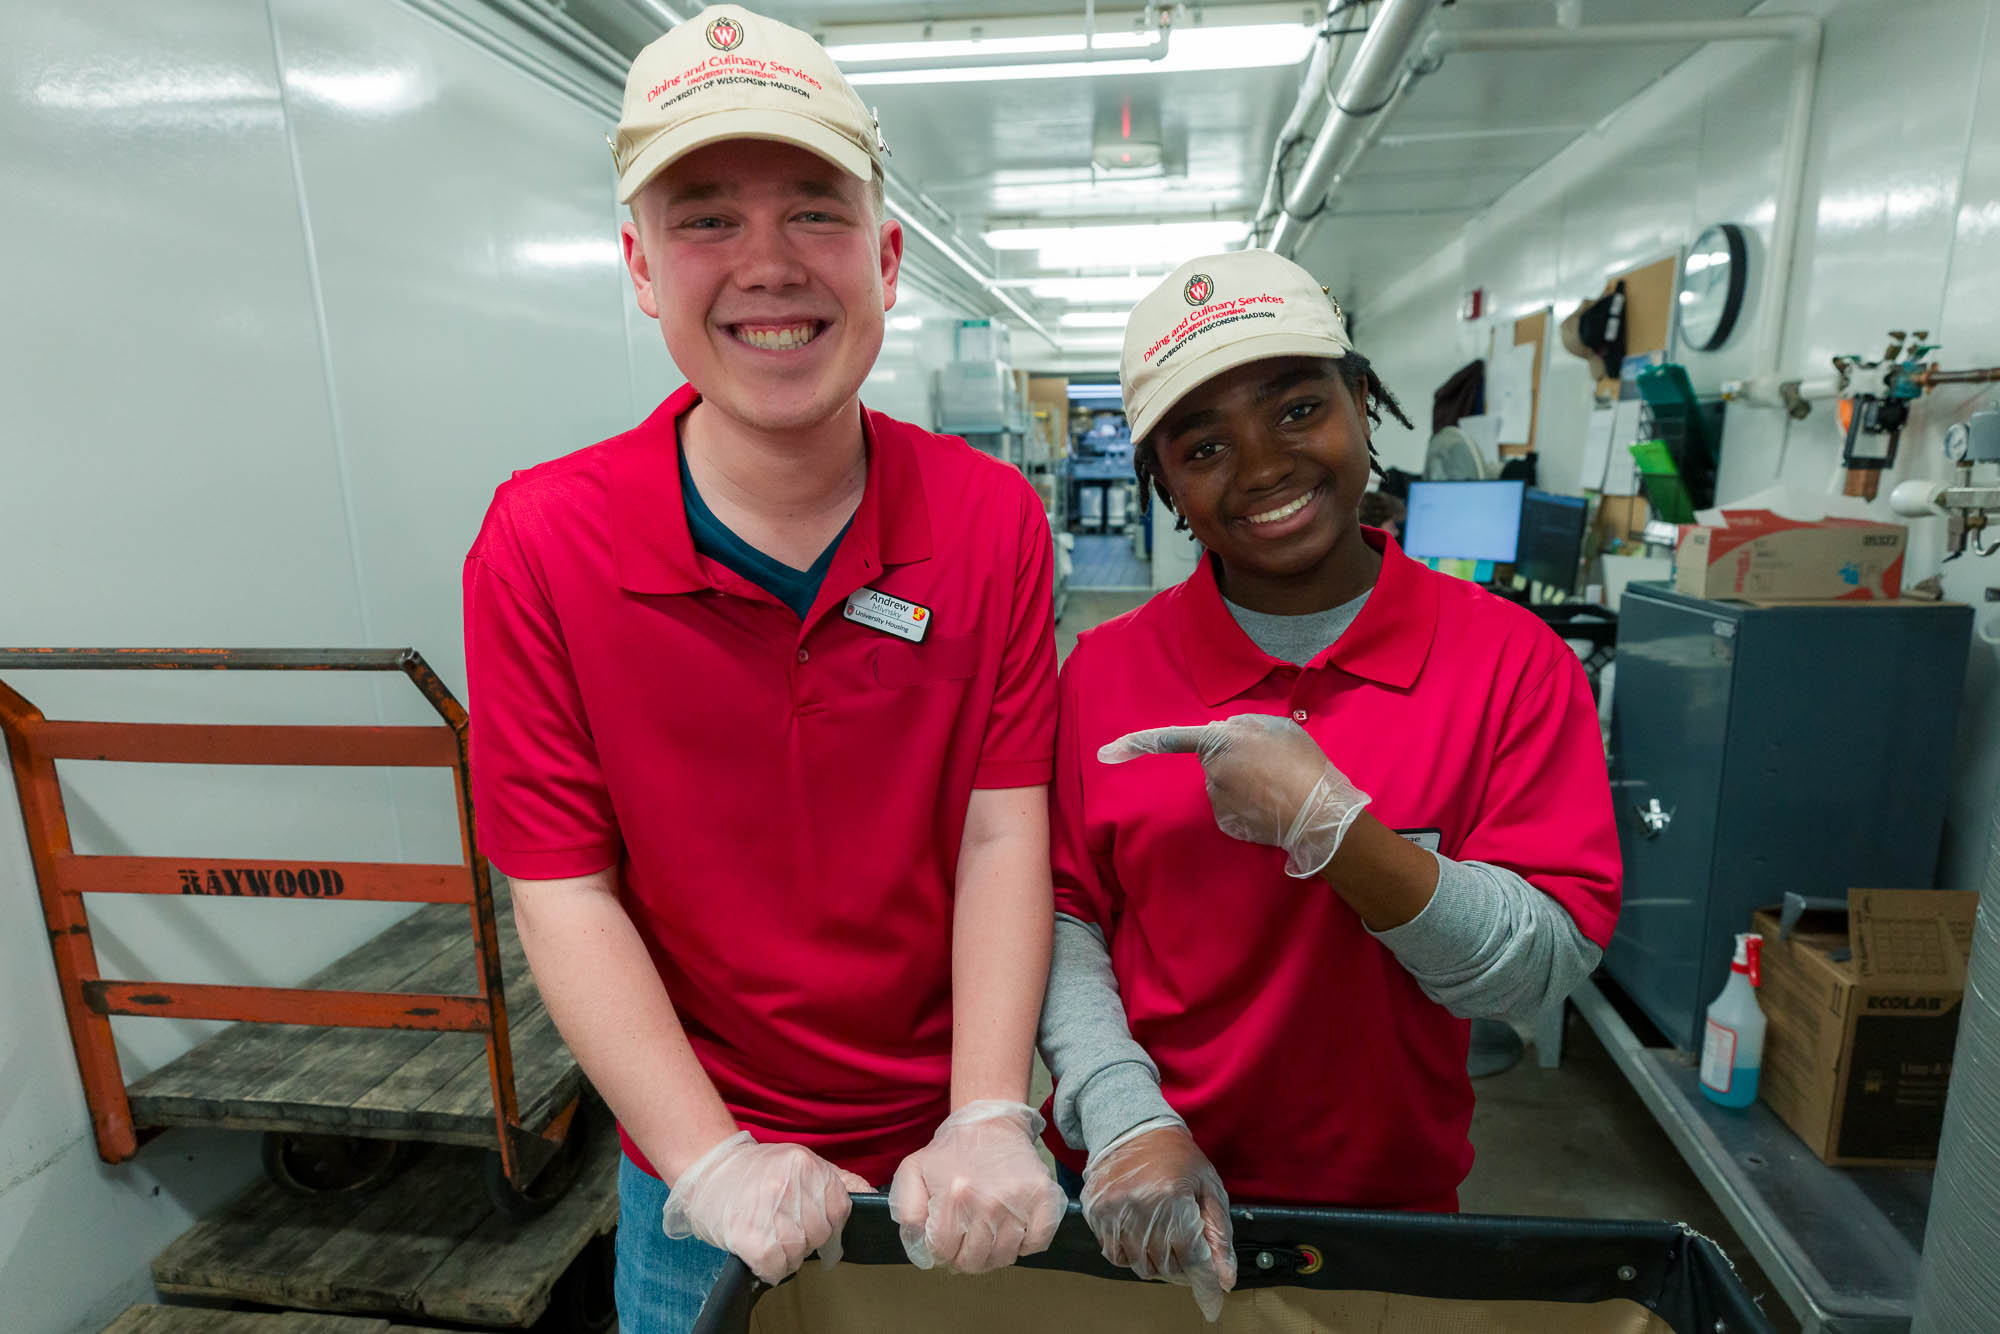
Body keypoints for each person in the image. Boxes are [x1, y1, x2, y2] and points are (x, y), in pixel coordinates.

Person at [462, 7, 1064, 1329]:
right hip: (699, 1175)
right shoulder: (542, 544)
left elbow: (999, 835)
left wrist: (987, 1111)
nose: (768, 266)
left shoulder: (987, 521)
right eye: (705, 219)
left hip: (948, 1164)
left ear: (889, 256)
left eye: (813, 211)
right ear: (638, 266)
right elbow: (565, 891)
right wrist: (711, 1157)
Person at [1037, 250, 1621, 1319]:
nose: (1260, 465)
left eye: (1297, 406)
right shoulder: (1104, 673)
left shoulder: (1509, 662)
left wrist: (1336, 830)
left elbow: (1533, 974)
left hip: (1382, 1220)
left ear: (1362, 402)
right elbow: (1065, 912)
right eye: (1202, 444)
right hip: (1132, 1199)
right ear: (1161, 481)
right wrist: (1123, 1116)